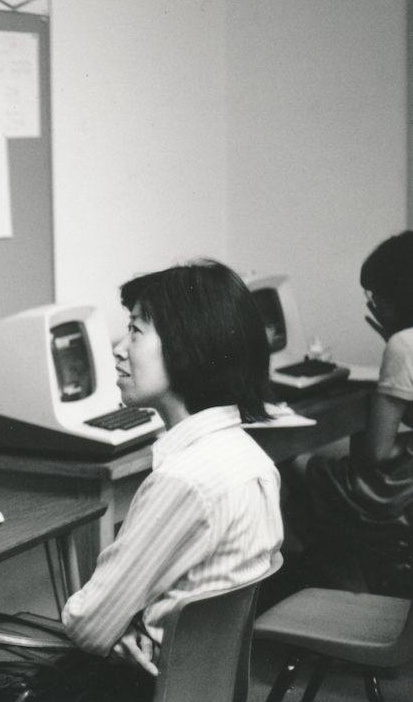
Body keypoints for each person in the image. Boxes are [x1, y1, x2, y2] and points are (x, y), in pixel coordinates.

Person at [60, 260, 284, 701]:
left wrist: (115, 626)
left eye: (136, 331)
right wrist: (123, 625)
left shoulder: (186, 480)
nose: (119, 349)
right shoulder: (251, 459)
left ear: (188, 348)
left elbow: (87, 624)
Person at [287, 230, 413, 595]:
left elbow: (375, 454)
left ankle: (342, 595)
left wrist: (394, 340)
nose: (372, 305)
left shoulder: (404, 343)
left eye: (374, 296)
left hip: (402, 494)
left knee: (293, 466)